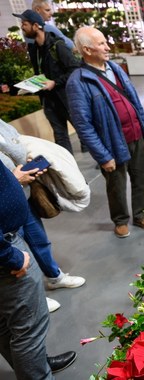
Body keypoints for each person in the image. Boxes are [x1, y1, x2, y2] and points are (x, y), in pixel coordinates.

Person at [66, 26, 144, 239]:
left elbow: (134, 102)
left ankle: (140, 213)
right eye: (101, 44)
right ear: (87, 50)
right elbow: (83, 125)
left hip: (135, 133)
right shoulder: (78, 81)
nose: (108, 47)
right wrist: (103, 156)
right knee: (116, 184)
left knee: (141, 178)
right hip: (111, 142)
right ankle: (120, 220)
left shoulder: (115, 68)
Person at [0, 161, 77, 379]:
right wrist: (11, 257)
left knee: (6, 325)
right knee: (28, 329)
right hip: (6, 249)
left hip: (6, 241)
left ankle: (34, 367)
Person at [0, 120, 86, 313]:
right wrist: (14, 179)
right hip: (7, 206)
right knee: (20, 252)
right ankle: (35, 295)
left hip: (23, 195)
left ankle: (55, 276)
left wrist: (28, 165)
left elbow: (16, 142)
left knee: (39, 240)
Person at [14, 10, 80, 154]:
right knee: (60, 136)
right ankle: (69, 167)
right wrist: (32, 84)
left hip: (66, 99)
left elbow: (74, 69)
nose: (22, 27)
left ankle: (104, 160)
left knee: (83, 131)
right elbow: (40, 73)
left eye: (24, 24)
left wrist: (55, 83)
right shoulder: (34, 49)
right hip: (49, 101)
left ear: (36, 25)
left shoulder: (58, 46)